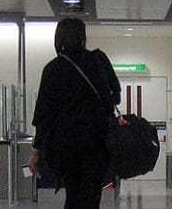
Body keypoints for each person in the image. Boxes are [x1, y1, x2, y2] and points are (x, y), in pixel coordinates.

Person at [27, 17, 121, 209]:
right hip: (97, 142)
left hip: (66, 145)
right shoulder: (98, 61)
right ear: (82, 36)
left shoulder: (53, 69)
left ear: (59, 37)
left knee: (73, 194)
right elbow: (114, 97)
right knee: (92, 196)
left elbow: (44, 115)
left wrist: (36, 151)